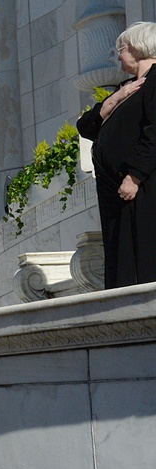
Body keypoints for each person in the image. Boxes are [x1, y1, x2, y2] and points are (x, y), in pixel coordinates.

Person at [77, 21, 156, 288]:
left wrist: (135, 176)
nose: (118, 55)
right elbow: (85, 128)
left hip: (142, 189)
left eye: (120, 49)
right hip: (116, 193)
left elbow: (154, 131)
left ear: (136, 48)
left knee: (142, 259)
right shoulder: (126, 88)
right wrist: (113, 99)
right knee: (121, 262)